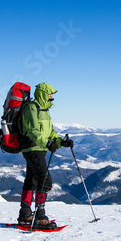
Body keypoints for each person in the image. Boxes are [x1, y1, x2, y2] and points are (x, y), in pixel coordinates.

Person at [17, 82, 73, 229]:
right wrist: (47, 144)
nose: (52, 96)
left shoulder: (44, 110)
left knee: (31, 180)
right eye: (50, 93)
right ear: (42, 93)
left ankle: (25, 214)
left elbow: (50, 132)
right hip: (32, 148)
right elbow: (32, 131)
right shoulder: (31, 107)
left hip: (39, 148)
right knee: (44, 180)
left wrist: (61, 142)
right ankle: (39, 215)